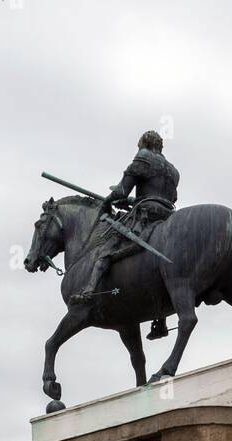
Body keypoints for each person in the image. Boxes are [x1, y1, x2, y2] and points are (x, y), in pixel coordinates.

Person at [70, 129, 179, 339]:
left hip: (146, 215)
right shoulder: (173, 171)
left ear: (144, 145)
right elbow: (170, 198)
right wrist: (132, 201)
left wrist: (107, 202)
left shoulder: (144, 157)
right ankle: (160, 321)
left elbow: (121, 191)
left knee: (107, 247)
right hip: (166, 217)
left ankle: (89, 290)